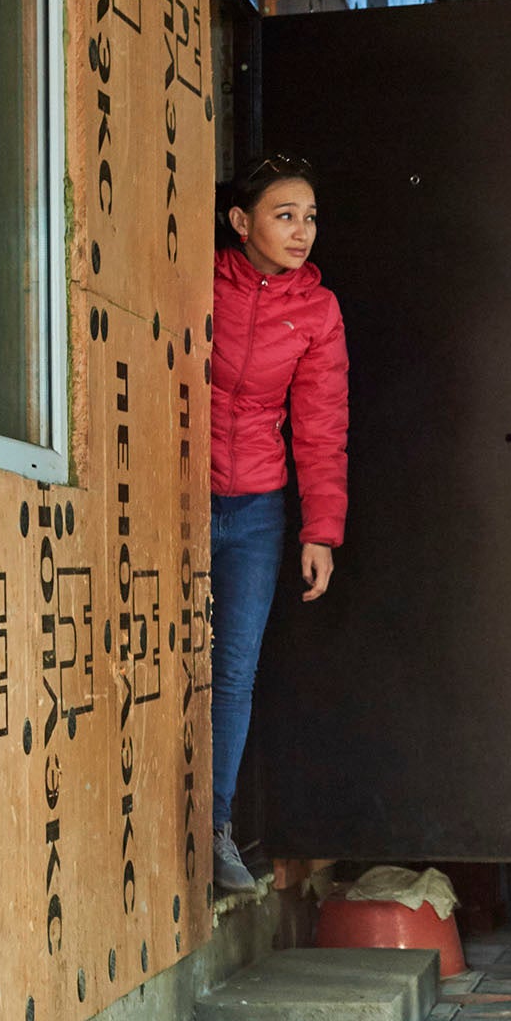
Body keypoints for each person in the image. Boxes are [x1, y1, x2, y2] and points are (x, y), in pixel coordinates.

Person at [208, 155, 348, 893]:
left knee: (233, 670)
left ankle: (214, 829)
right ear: (241, 222)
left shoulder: (317, 311)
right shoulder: (196, 283)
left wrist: (319, 531)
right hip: (178, 499)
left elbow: (321, 426)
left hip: (257, 510)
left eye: (311, 217)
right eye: (284, 215)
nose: (302, 232)